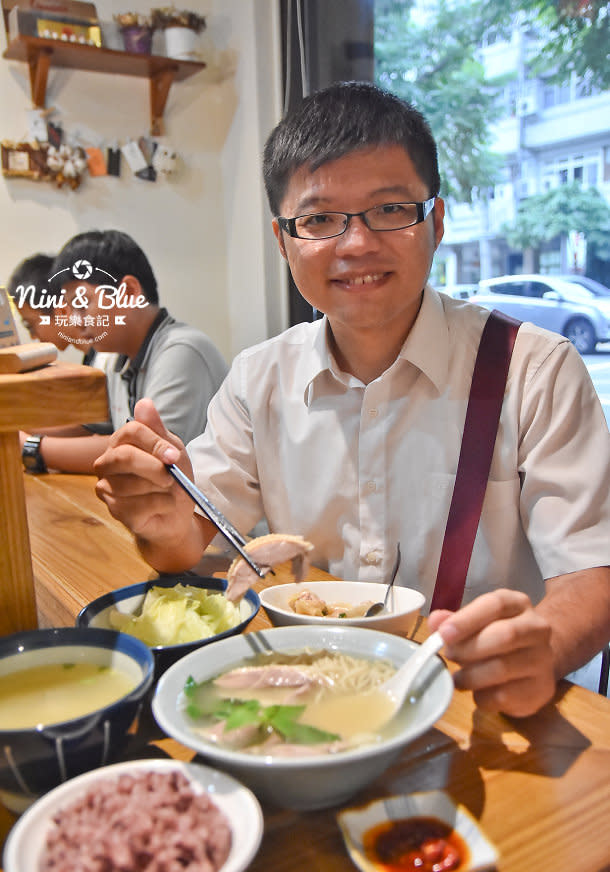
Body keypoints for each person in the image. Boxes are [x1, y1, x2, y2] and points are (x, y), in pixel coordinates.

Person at [93, 82, 610, 718]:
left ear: (436, 222)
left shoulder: (536, 371)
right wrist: (159, 521)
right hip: (305, 697)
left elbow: (592, 572)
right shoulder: (259, 381)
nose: (356, 243)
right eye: (317, 219)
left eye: (391, 208)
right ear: (283, 241)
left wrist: (544, 645)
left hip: (481, 711)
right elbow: (190, 537)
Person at [19, 230, 228, 474]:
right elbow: (86, 426)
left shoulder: (182, 351)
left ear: (128, 293)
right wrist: (17, 427)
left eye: (81, 304)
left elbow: (143, 456)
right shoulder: (114, 357)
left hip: (207, 509)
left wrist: (30, 448)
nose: (75, 321)